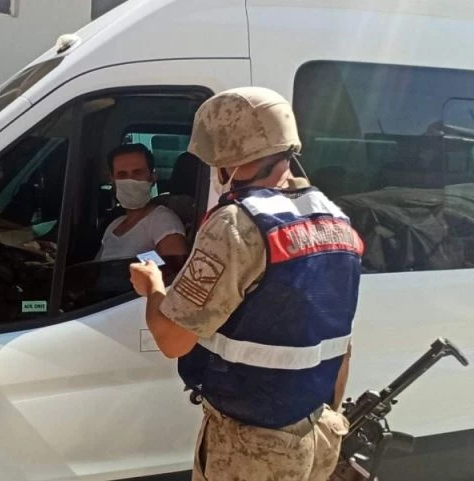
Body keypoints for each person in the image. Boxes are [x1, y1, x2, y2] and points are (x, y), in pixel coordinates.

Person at [129, 87, 363, 481]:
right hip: (320, 431)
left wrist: (152, 286)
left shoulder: (237, 225)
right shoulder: (333, 219)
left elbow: (172, 340)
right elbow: (340, 344)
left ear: (226, 160)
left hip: (252, 448)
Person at [96, 143, 188, 262]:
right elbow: (96, 269)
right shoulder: (113, 226)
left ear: (153, 177)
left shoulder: (163, 221)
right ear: (112, 181)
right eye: (122, 175)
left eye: (137, 173)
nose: (130, 180)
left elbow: (175, 268)